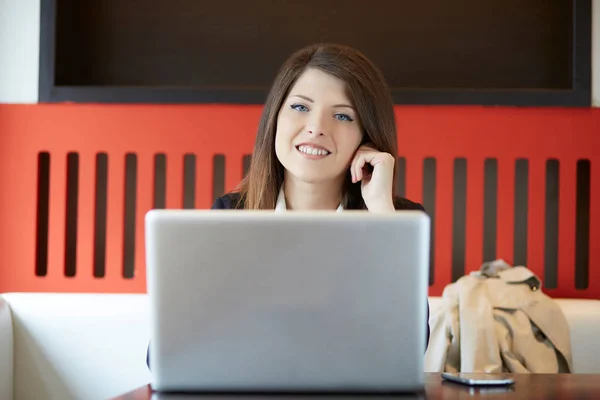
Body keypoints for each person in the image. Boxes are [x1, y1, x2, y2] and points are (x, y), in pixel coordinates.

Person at [147, 43, 430, 368]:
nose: (316, 127)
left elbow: (409, 348)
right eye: (300, 107)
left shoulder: (399, 220)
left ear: (367, 136)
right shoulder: (231, 215)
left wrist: (381, 211)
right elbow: (162, 356)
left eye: (342, 115)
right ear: (275, 119)